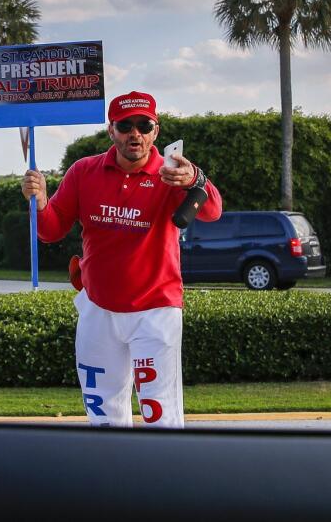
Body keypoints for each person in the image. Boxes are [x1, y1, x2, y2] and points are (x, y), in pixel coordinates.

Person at [21, 90, 222, 429]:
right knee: (103, 413)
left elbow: (213, 211)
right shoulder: (84, 171)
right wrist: (40, 202)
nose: (135, 134)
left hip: (155, 310)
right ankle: (113, 477)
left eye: (144, 125)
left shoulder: (172, 173)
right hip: (98, 309)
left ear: (155, 131)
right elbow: (51, 230)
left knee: (158, 411)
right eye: (126, 125)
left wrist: (195, 179)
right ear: (111, 130)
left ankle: (163, 479)